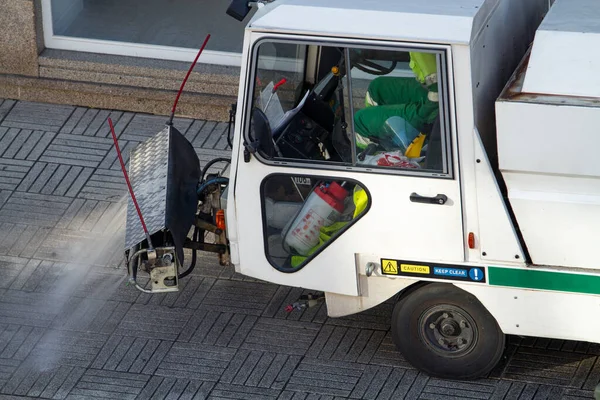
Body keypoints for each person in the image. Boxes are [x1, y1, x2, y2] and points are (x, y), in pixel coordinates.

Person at [353, 52, 440, 149]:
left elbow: (436, 90)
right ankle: (394, 134)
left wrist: (432, 101)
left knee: (359, 123)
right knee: (376, 89)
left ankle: (388, 154)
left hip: (441, 98)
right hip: (438, 85)